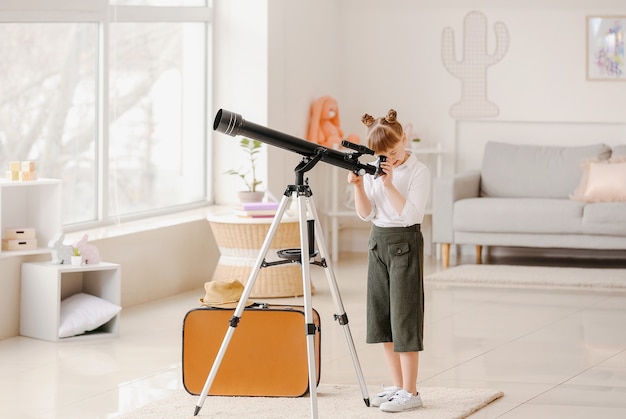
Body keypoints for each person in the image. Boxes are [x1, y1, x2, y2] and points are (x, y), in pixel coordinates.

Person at [347, 109, 430, 413]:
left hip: (404, 244)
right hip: (377, 243)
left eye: (394, 152)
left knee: (404, 319)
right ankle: (397, 386)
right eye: (382, 155)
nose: (389, 159)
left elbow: (410, 216)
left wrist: (389, 184)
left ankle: (411, 391)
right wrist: (359, 186)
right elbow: (365, 214)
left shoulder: (418, 172)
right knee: (382, 319)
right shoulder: (374, 169)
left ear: (403, 139)